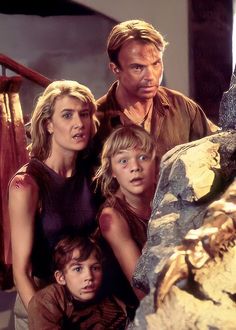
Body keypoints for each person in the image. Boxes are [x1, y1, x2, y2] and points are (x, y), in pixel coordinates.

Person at [8, 80, 100, 329]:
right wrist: (46, 319)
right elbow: (22, 272)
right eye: (67, 115)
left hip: (86, 303)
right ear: (48, 124)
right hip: (39, 302)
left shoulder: (93, 176)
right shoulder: (27, 184)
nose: (79, 124)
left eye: (84, 114)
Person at [95, 19, 219, 164]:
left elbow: (219, 148)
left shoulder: (182, 107)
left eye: (156, 64)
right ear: (116, 69)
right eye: (138, 68)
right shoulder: (95, 121)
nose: (151, 77)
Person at [94, 124, 158, 305]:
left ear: (156, 163)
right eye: (123, 161)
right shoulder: (112, 218)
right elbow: (142, 290)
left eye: (143, 157)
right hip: (132, 306)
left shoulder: (167, 197)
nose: (135, 167)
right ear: (112, 171)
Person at [28, 234, 128, 330]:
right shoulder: (46, 301)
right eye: (78, 269)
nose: (89, 277)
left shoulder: (111, 303)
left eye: (95, 268)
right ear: (61, 277)